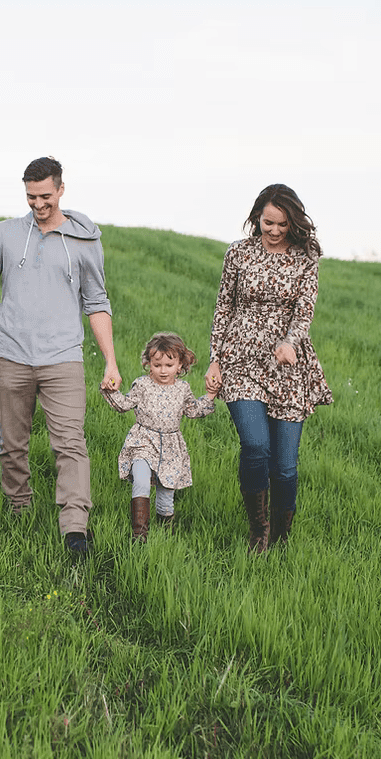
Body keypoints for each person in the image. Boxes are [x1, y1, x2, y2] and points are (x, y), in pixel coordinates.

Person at [0, 156, 120, 555]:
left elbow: (96, 301)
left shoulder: (85, 240)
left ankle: (75, 530)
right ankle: (19, 508)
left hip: (63, 358)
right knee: (11, 443)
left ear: (60, 190)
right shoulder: (5, 234)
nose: (38, 205)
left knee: (71, 443)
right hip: (12, 355)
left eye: (45, 197)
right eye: (30, 197)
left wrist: (110, 360)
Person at [205, 184, 333, 553]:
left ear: (293, 223)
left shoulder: (306, 256)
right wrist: (215, 357)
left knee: (285, 466)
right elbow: (223, 307)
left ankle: (281, 535)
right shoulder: (239, 253)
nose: (274, 231)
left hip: (288, 364)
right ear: (257, 217)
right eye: (267, 222)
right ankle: (258, 529)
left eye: (282, 224)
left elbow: (304, 309)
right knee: (255, 444)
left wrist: (290, 342)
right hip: (240, 357)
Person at [101, 332, 216, 541]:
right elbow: (124, 405)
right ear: (148, 364)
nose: (163, 370)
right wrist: (110, 390)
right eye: (157, 365)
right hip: (143, 441)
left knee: (165, 498)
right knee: (142, 481)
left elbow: (192, 411)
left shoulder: (183, 389)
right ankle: (139, 535)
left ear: (180, 365)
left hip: (171, 446)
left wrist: (209, 396)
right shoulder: (142, 385)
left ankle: (165, 535)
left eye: (169, 365)